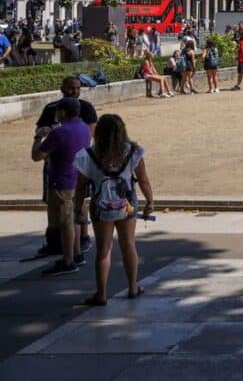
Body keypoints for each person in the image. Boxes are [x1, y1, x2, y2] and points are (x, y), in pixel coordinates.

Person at [72, 114, 154, 305]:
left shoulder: (87, 155)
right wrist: (150, 202)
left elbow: (81, 187)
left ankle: (101, 294)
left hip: (100, 204)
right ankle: (133, 287)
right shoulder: (133, 151)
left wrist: (77, 208)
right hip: (127, 202)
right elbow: (143, 180)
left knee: (104, 249)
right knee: (128, 245)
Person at [32, 79, 98, 260]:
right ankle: (68, 248)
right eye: (71, 88)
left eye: (77, 88)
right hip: (62, 162)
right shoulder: (53, 110)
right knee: (65, 209)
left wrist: (42, 138)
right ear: (62, 89)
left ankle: (73, 250)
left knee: (71, 212)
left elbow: (37, 153)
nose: (74, 91)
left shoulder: (83, 110)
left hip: (68, 166)